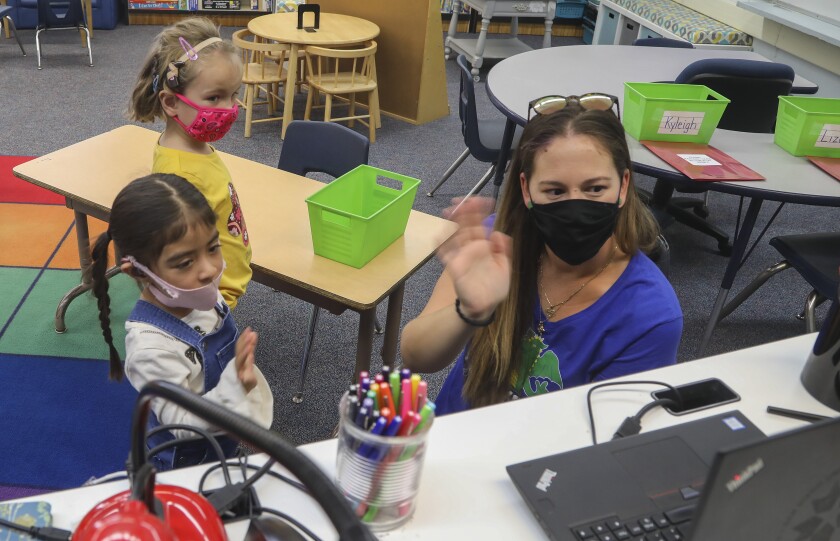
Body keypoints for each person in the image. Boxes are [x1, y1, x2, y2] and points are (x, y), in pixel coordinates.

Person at [400, 101, 683, 415]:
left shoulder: (648, 314)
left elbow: (606, 442)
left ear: (623, 185)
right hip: (453, 435)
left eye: (595, 188)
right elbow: (415, 356)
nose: (575, 207)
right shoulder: (494, 247)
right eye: (555, 191)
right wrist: (470, 311)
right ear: (526, 189)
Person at [89, 173, 273, 471]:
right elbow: (184, 424)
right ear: (138, 271)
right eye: (185, 262)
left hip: (222, 436)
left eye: (213, 248)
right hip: (183, 466)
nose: (209, 271)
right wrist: (233, 387)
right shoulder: (150, 347)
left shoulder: (200, 295)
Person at [128, 17, 251, 309]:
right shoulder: (181, 174)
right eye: (214, 97)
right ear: (171, 103)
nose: (230, 109)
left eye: (233, 95)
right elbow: (180, 258)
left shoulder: (191, 145)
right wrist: (206, 308)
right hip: (209, 299)